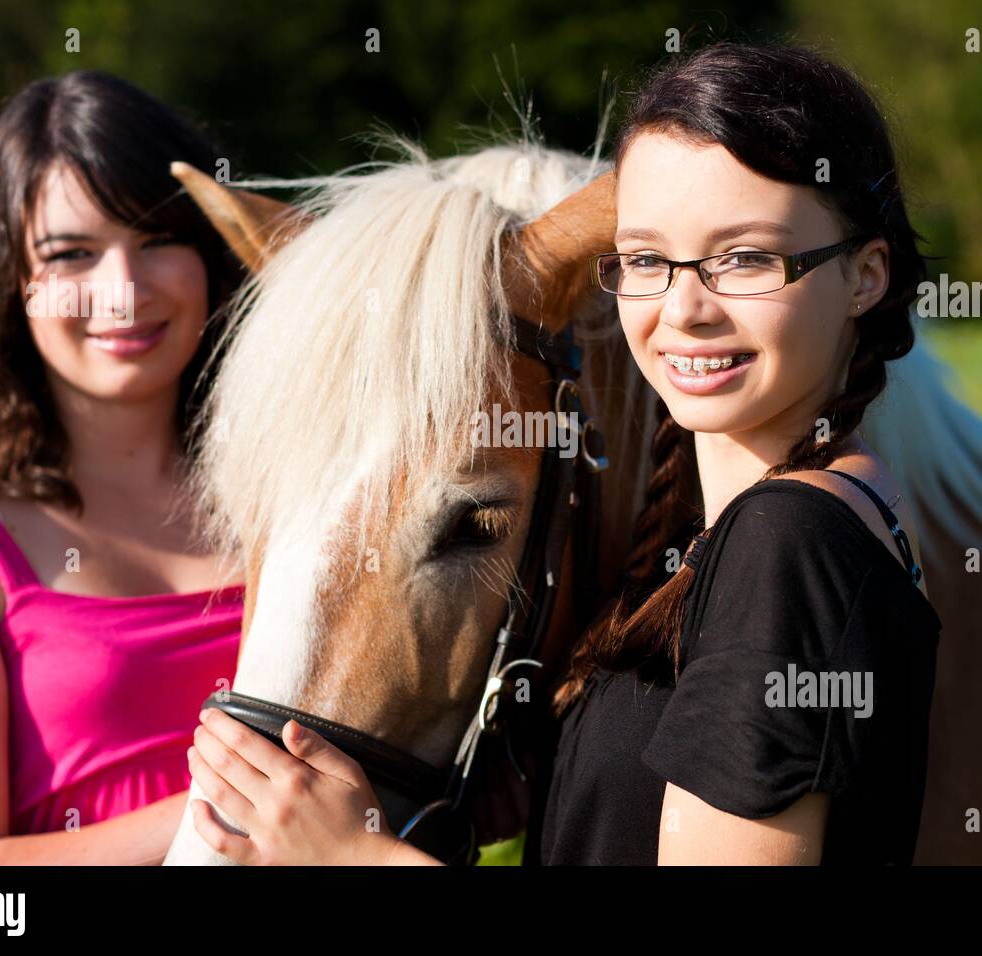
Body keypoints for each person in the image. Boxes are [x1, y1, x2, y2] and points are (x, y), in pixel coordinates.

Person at [178, 41, 941, 866]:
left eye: (746, 258)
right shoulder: (781, 527)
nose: (684, 308)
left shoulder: (786, 547)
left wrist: (354, 858)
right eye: (648, 258)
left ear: (866, 277)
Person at [0, 70, 245, 864]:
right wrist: (229, 816)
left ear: (210, 253)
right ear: (10, 279)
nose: (122, 292)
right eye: (72, 253)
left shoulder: (289, 491)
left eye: (158, 239)